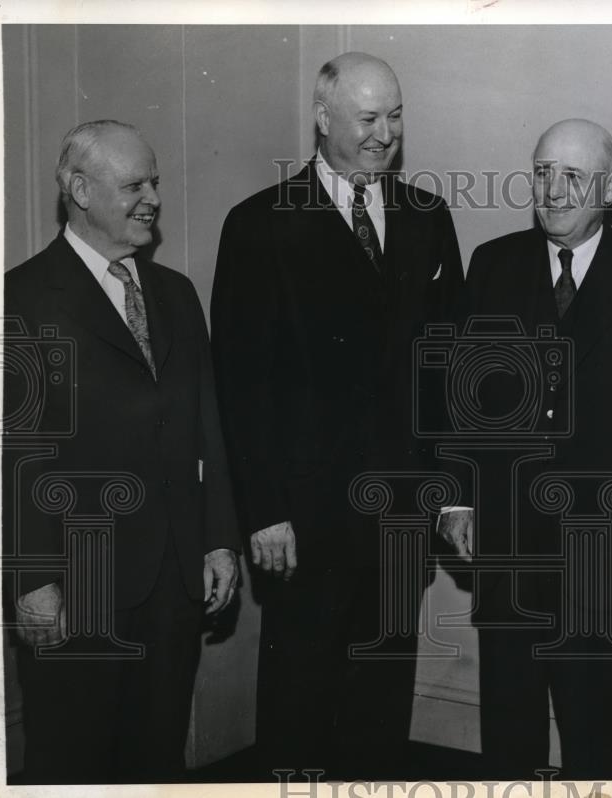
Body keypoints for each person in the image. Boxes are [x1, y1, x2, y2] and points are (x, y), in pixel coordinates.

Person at [210, 52, 463, 778]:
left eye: (396, 116)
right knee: (299, 704)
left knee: (381, 703)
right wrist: (263, 512)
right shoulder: (260, 225)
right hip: (304, 523)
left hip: (400, 519)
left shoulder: (426, 218)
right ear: (323, 120)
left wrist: (450, 491)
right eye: (368, 118)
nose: (386, 134)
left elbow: (446, 366)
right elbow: (242, 384)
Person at [443, 119, 612, 779]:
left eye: (573, 177)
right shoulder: (493, 264)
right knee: (508, 727)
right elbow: (463, 399)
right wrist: (459, 498)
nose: (553, 191)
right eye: (542, 173)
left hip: (605, 547)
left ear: (609, 188)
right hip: (508, 548)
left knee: (591, 732)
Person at [3, 120, 240, 784]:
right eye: (134, 184)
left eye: (155, 182)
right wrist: (33, 582)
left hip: (173, 586)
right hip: (78, 588)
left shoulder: (176, 296)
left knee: (156, 759)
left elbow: (206, 426)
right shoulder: (19, 298)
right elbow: (16, 457)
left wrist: (219, 538)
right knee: (73, 763)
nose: (153, 199)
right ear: (79, 189)